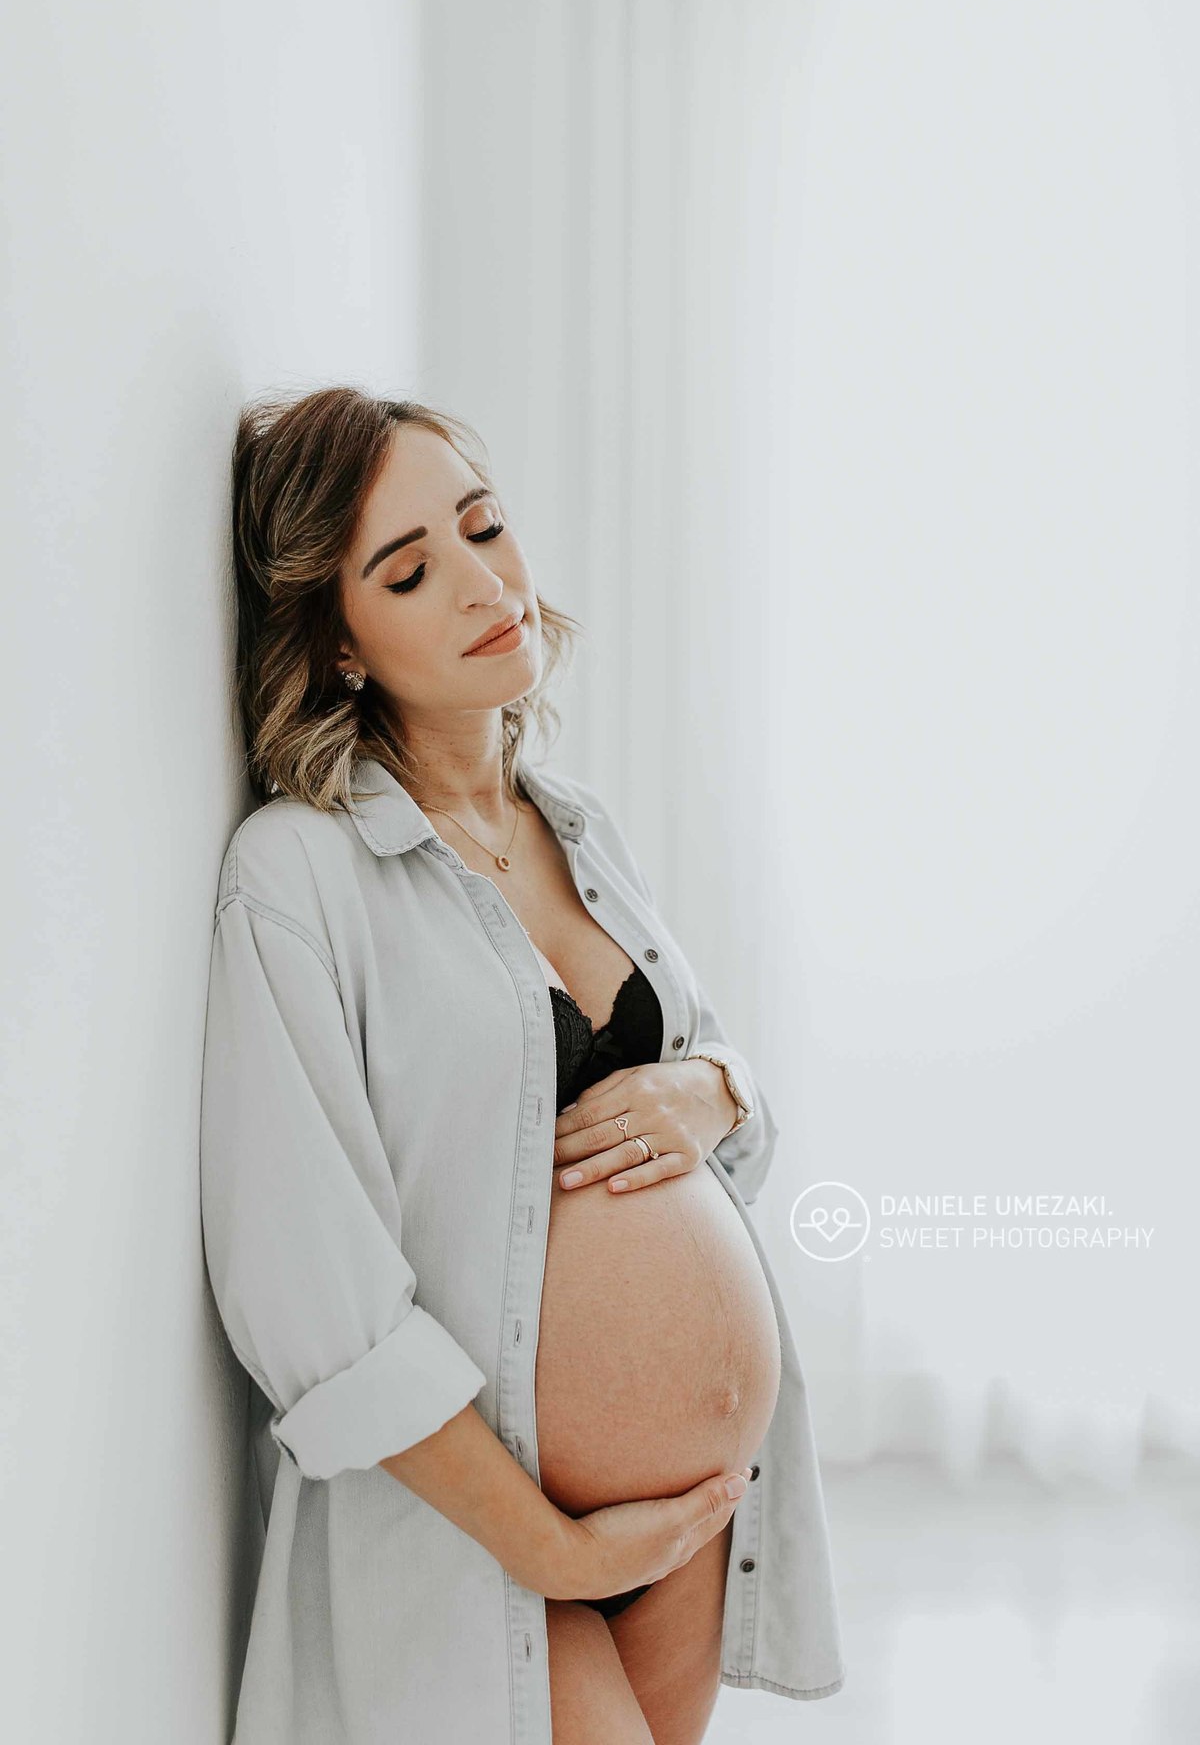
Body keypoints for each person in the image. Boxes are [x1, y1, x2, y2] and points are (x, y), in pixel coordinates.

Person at [199, 386, 845, 1743]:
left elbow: (729, 1096)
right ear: (341, 641)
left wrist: (710, 1086)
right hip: (486, 1533)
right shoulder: (299, 874)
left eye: (485, 528)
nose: (483, 583)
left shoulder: (575, 824)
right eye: (411, 570)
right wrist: (552, 1553)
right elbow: (313, 1301)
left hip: (685, 1517)